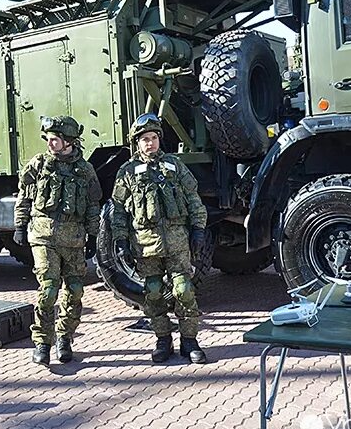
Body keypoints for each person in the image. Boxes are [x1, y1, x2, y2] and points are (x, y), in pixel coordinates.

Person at [110, 113, 209, 364]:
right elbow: (119, 210)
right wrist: (120, 241)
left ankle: (190, 341)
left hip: (176, 241)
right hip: (145, 244)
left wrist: (198, 229)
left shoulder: (174, 166)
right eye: (144, 139)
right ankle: (163, 340)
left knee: (184, 291)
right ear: (137, 143)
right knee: (152, 293)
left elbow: (194, 198)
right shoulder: (127, 172)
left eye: (153, 138)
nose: (150, 143)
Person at [14, 115, 102, 366]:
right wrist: (20, 225)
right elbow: (24, 197)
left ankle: (65, 338)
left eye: (55, 139)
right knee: (48, 290)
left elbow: (92, 206)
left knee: (74, 292)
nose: (50, 144)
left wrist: (93, 235)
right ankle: (42, 342)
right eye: (48, 139)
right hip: (43, 236)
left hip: (73, 239)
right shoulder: (39, 164)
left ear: (69, 141)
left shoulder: (84, 170)